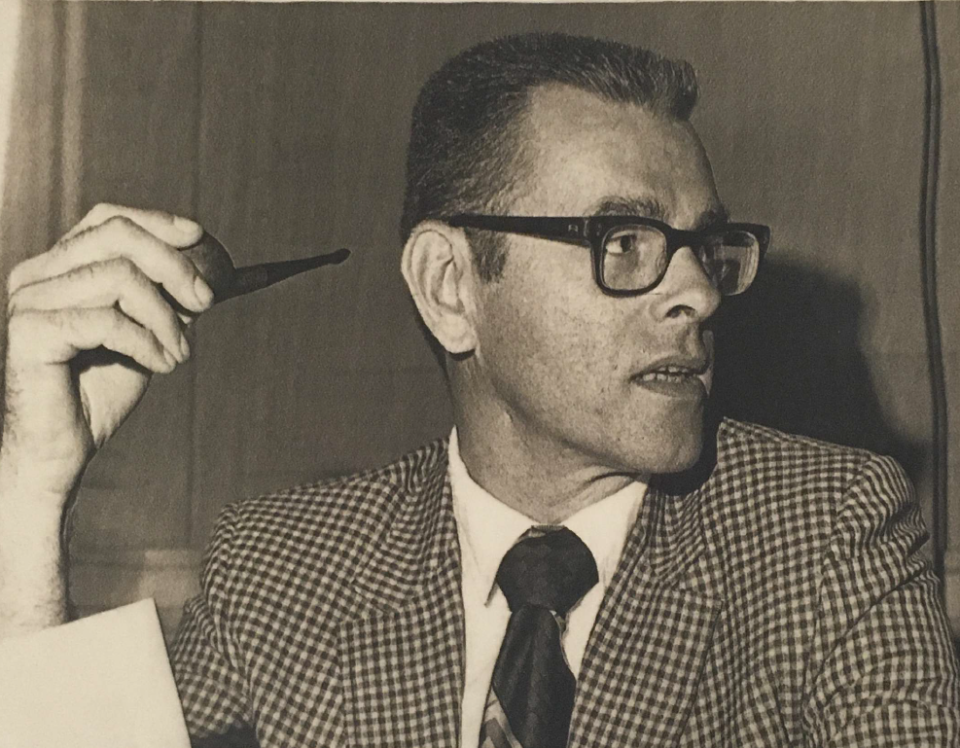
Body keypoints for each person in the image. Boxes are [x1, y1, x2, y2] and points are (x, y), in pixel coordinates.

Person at [1, 32, 958, 748]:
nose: (700, 293)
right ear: (452, 289)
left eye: (707, 247)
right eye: (622, 243)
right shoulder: (280, 568)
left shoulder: (826, 536)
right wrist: (32, 493)